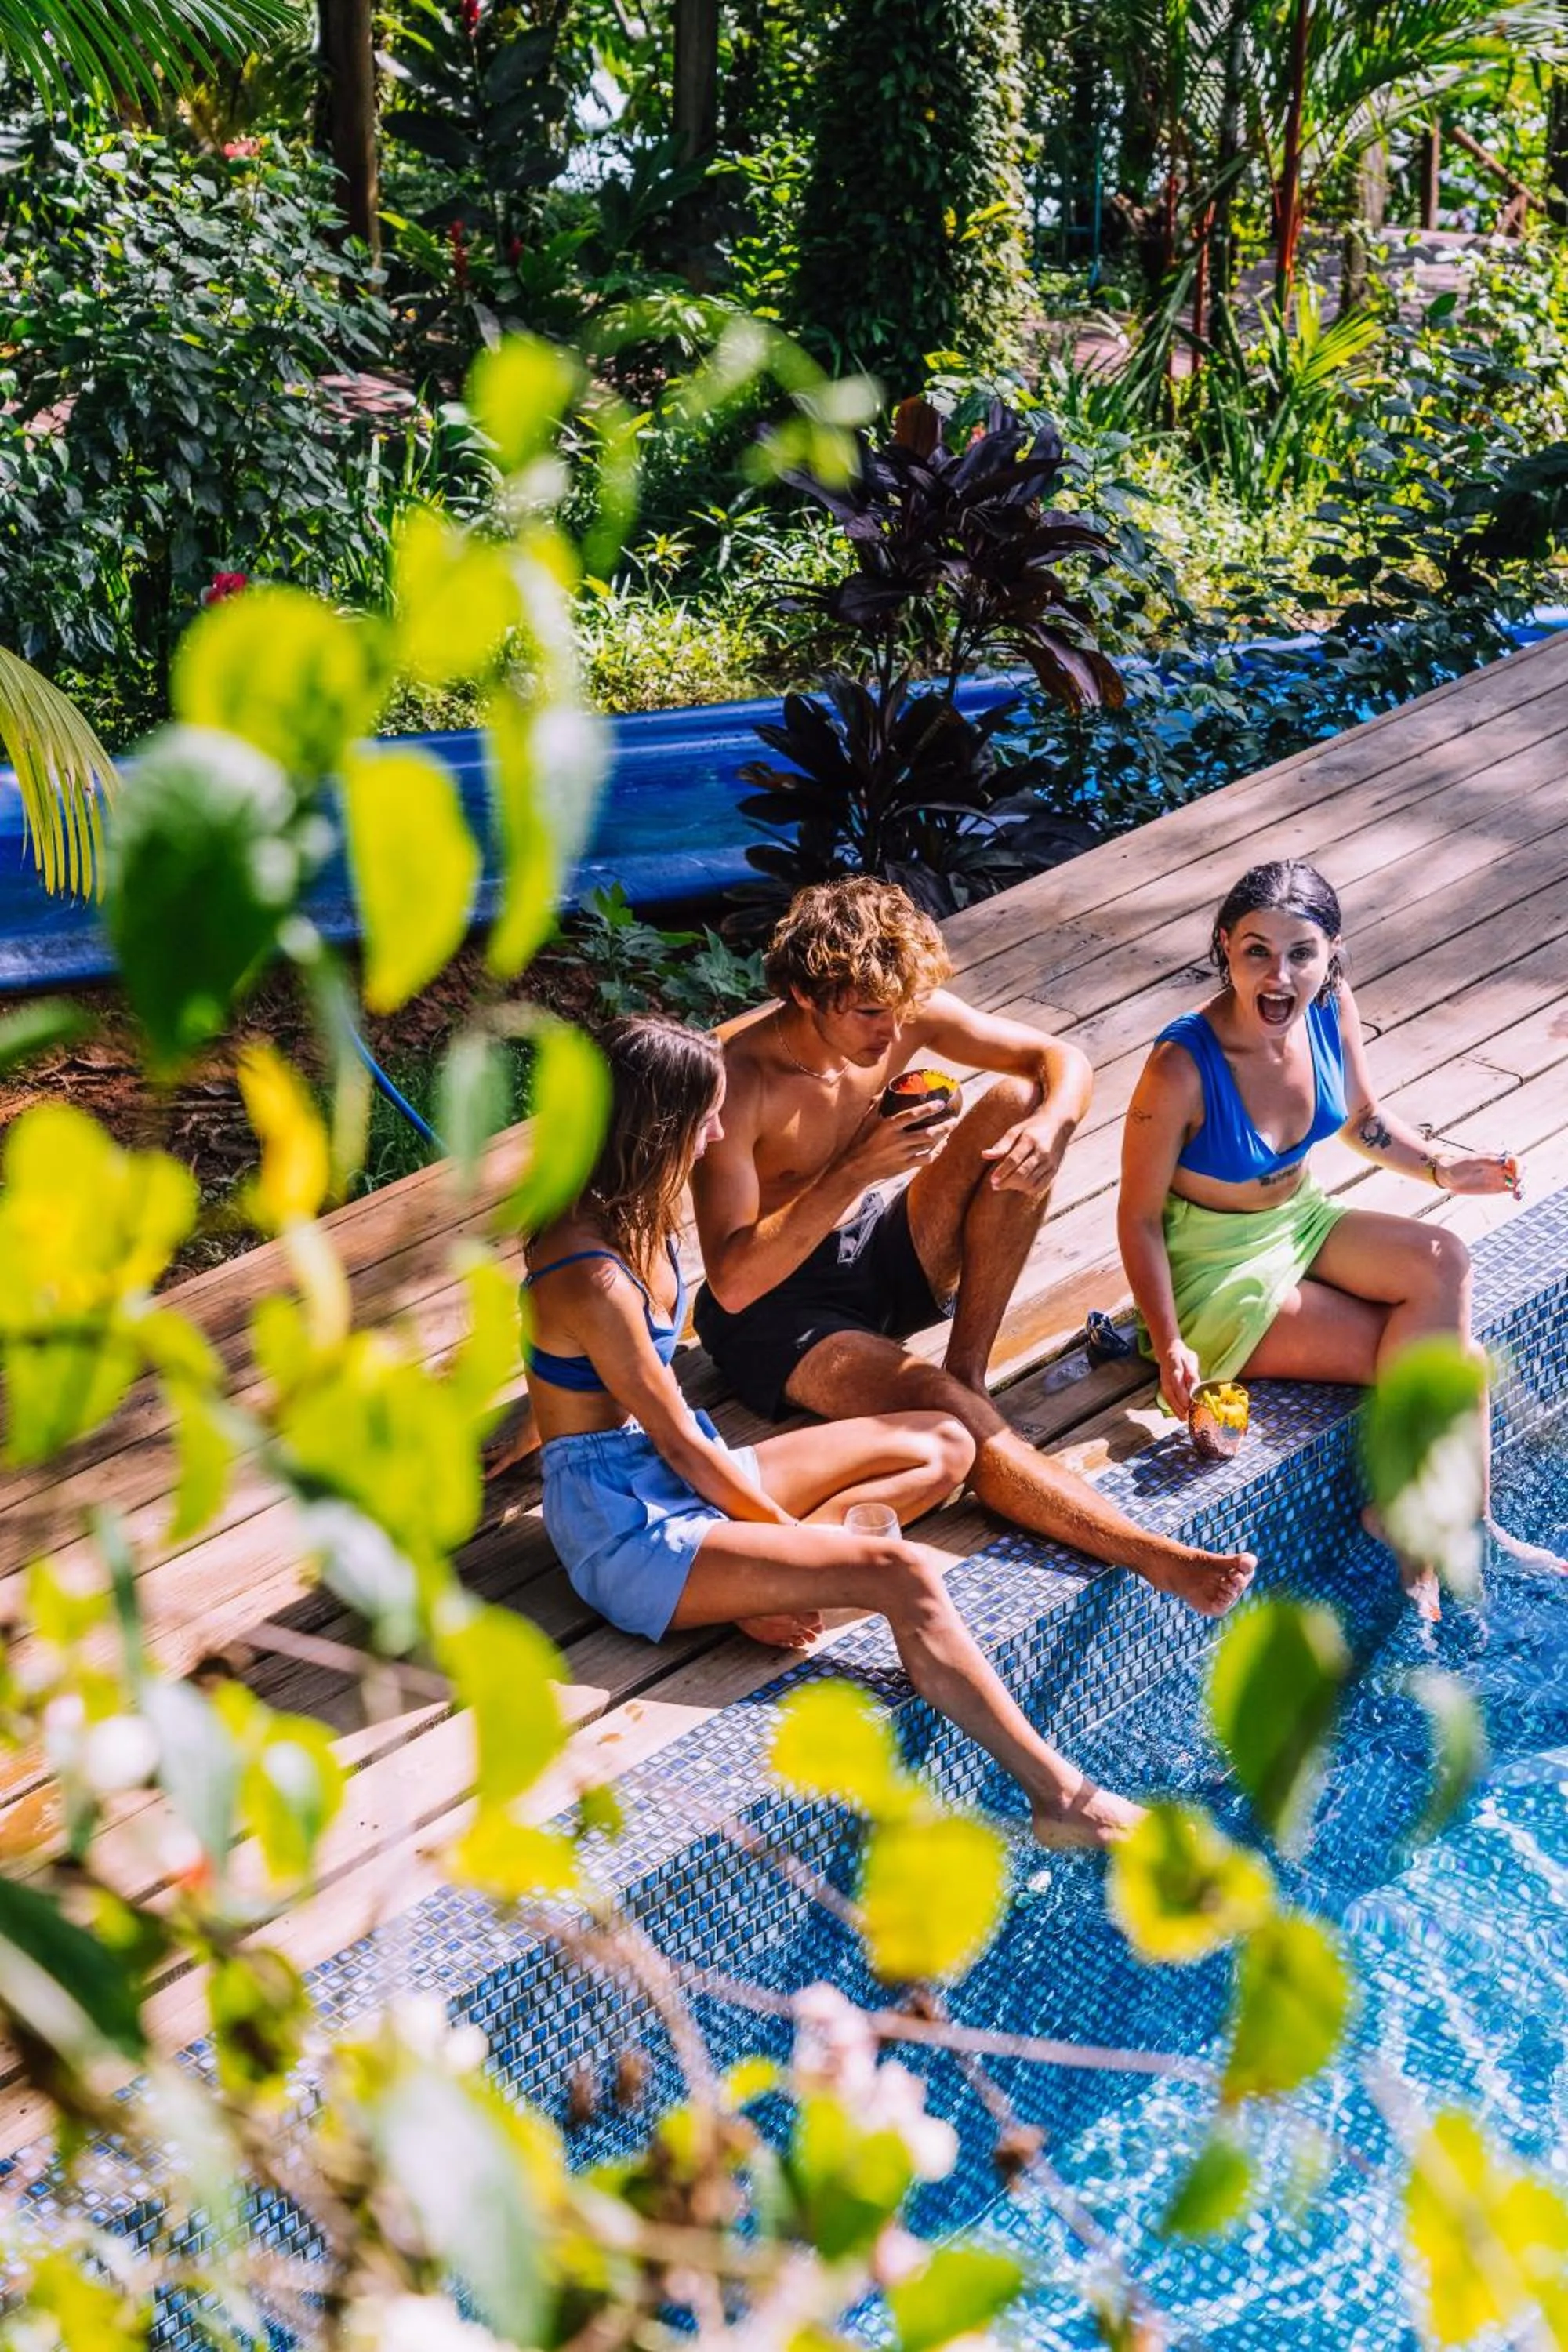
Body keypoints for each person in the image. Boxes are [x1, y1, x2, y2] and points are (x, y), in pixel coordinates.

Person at [523, 1013, 1141, 1847]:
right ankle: (1060, 1798)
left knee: (942, 1441)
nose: (718, 1131)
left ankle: (764, 1581)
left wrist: (534, 1423)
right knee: (900, 1572)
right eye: (704, 1117)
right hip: (625, 1532)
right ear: (658, 1127)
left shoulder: (637, 1213)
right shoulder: (589, 1269)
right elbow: (673, 1437)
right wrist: (791, 1550)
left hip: (656, 1467)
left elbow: (604, 1381)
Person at [691, 878, 1255, 1616]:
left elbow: (1061, 1059)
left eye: (900, 1013)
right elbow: (732, 1283)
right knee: (941, 1408)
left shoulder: (898, 1011)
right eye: (868, 1015)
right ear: (804, 993)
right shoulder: (736, 1083)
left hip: (866, 1252)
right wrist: (856, 1168)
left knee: (1019, 1103)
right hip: (773, 1311)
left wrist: (1051, 1125)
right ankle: (1152, 1555)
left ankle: (970, 1362)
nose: (890, 1037)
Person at [1117, 858, 1551, 1615]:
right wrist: (1169, 1337)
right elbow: (1139, 1217)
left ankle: (1467, 1520)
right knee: (1460, 1363)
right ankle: (1422, 1526)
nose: (1279, 976)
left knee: (1443, 1255)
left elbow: (1363, 1120)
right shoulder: (1180, 1066)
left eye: (1301, 954)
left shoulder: (1329, 1008)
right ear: (1225, 948)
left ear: (1331, 953)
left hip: (1301, 1219)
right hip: (1216, 1272)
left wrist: (1446, 1169)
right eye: (1257, 951)